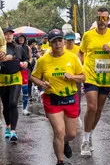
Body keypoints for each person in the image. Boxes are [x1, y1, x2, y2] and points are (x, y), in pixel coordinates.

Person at [31, 29, 85, 165]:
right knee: (59, 131)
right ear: (49, 44)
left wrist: (73, 77)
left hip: (70, 98)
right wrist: (42, 83)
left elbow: (83, 76)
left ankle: (65, 142)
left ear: (64, 41)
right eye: (54, 42)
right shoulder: (43, 60)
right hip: (52, 99)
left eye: (60, 41)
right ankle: (60, 161)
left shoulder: (72, 57)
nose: (58, 44)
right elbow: (33, 76)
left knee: (71, 134)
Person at [79, 7, 110, 157]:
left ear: (108, 20)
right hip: (91, 76)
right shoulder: (88, 35)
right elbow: (81, 51)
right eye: (100, 18)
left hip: (106, 77)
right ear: (96, 19)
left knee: (98, 110)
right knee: (91, 107)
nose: (102, 21)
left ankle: (90, 134)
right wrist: (81, 66)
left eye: (105, 18)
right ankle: (85, 141)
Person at [0, 27, 29, 143]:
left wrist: (26, 63)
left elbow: (27, 59)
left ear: (13, 36)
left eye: (10, 34)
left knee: (13, 103)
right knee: (6, 105)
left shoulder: (18, 48)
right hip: (2, 79)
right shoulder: (1, 48)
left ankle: (13, 130)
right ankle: (7, 125)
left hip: (16, 78)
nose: (8, 36)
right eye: (6, 34)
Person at [15, 33, 32, 115]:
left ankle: (25, 109)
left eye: (23, 38)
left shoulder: (27, 47)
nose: (21, 39)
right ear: (17, 39)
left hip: (24, 71)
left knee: (25, 90)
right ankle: (14, 109)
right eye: (19, 38)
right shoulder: (14, 46)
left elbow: (30, 58)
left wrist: (27, 63)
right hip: (15, 71)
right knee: (15, 91)